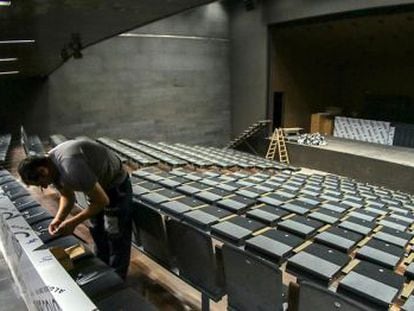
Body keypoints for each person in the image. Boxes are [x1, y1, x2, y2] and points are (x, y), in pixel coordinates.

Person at [18, 138, 133, 279]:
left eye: (41, 184)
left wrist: (73, 223)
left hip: (115, 185)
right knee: (96, 228)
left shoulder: (71, 166)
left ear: (43, 170)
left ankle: (117, 277)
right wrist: (59, 219)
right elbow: (67, 196)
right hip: (95, 184)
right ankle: (102, 268)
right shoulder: (52, 167)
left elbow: (102, 201)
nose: (45, 187)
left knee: (116, 233)